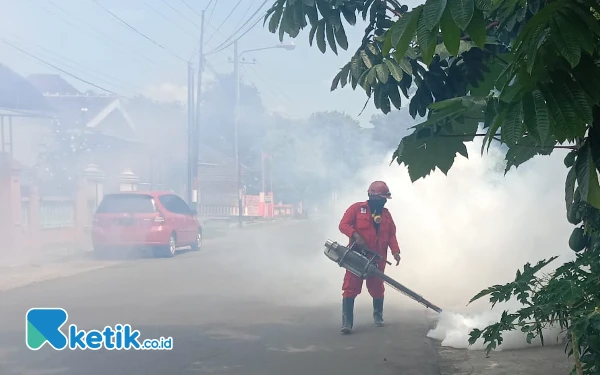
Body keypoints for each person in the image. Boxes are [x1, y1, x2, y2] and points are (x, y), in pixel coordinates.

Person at [338, 180, 401, 334]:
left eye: (384, 199)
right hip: (357, 257)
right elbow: (343, 225)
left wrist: (395, 251)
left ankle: (378, 316)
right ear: (371, 196)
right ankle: (347, 323)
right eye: (380, 198)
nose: (383, 201)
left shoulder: (386, 215)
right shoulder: (357, 209)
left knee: (377, 287)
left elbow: (391, 235)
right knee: (350, 287)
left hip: (378, 258)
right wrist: (355, 235)